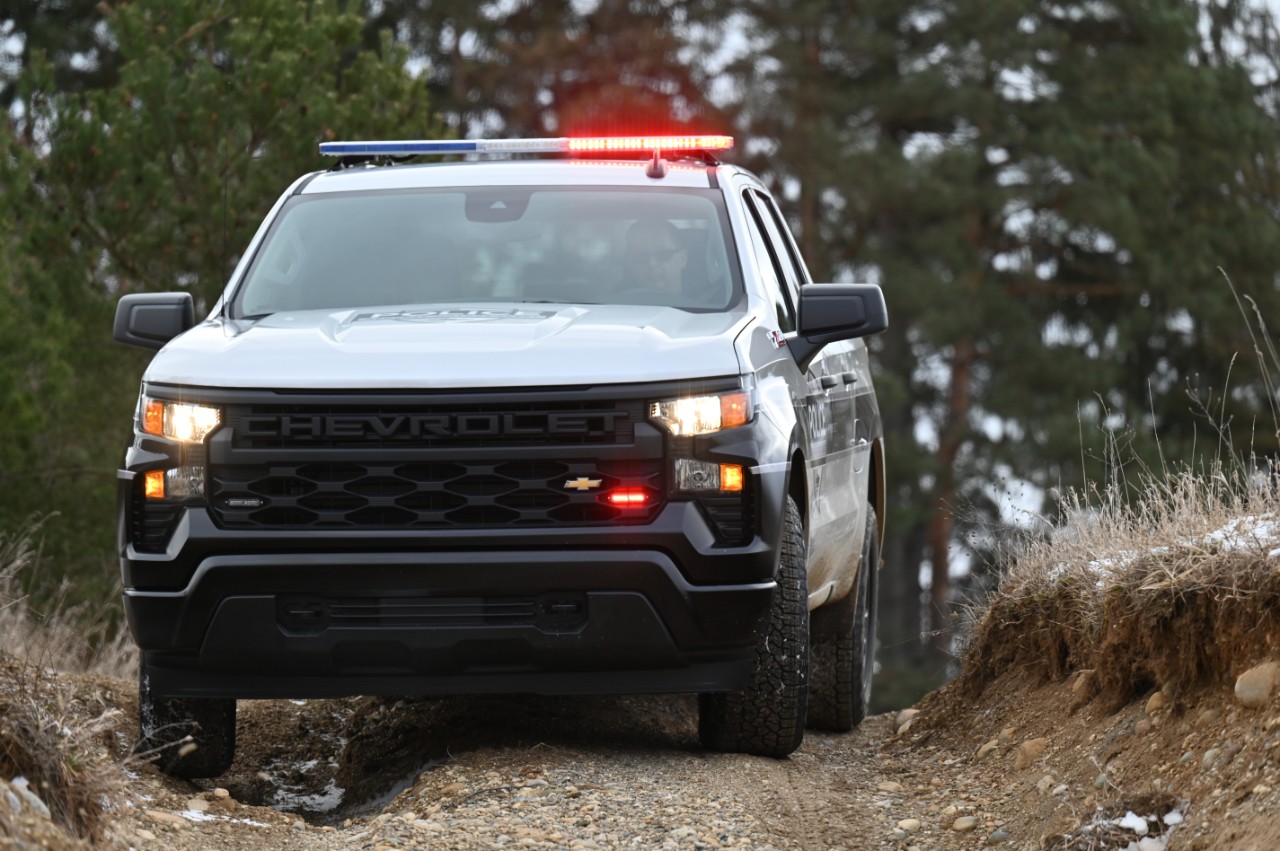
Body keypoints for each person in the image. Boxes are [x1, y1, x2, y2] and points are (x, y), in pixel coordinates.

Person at [623, 218, 688, 294]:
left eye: (663, 255)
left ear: (683, 259)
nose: (652, 264)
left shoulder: (699, 299)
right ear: (629, 263)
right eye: (641, 256)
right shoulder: (614, 299)